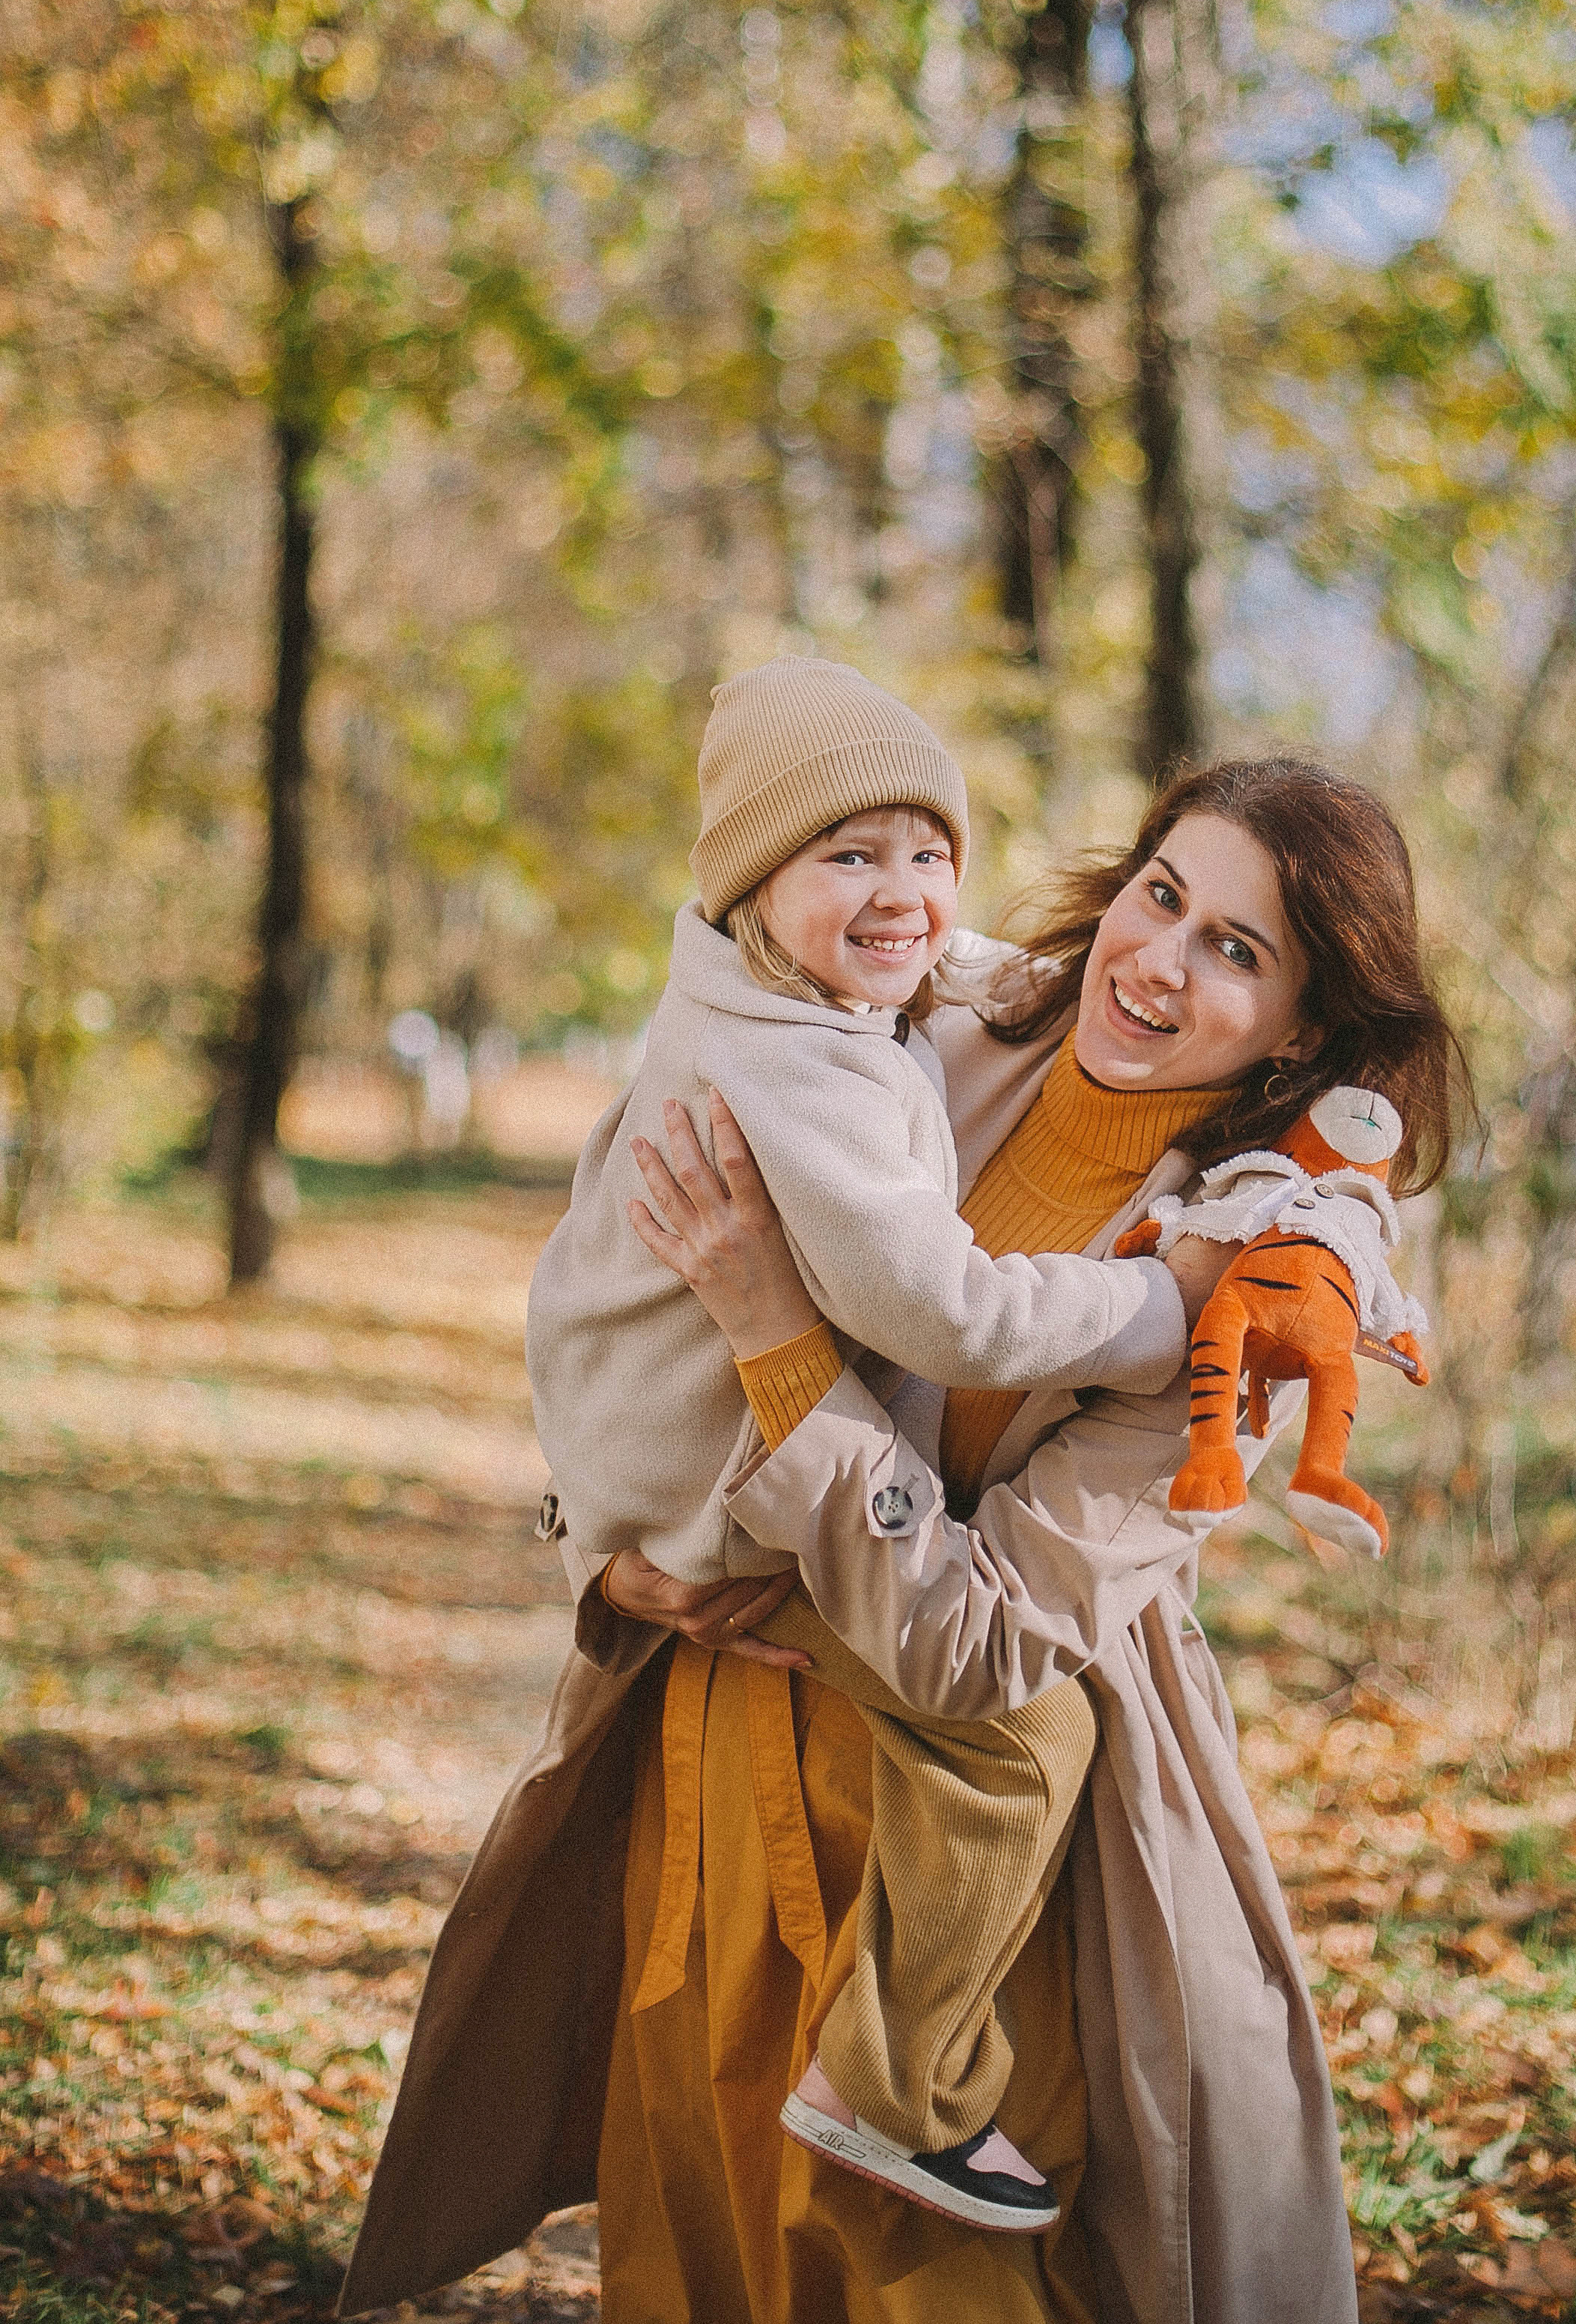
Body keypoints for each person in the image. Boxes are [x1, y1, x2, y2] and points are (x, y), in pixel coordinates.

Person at [340, 750, 1468, 2324]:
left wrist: (777, 1328)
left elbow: (987, 1646)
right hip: (713, 1782)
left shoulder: (1239, 1276)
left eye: (1239, 948)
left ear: (1305, 1030)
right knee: (702, 2245)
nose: (1161, 959)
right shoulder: (926, 1025)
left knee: (926, 2282)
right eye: (1164, 894)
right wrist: (600, 1549)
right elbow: (624, 1306)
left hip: (966, 1889)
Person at [525, 654, 1229, 2228]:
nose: (906, 892)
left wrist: (970, 961)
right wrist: (1154, 1306)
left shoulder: (780, 983)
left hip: (692, 1466)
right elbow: (948, 1313)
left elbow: (942, 960)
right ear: (754, 883)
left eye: (930, 849)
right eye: (851, 853)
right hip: (715, 1507)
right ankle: (894, 2079)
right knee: (1019, 1741)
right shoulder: (802, 1065)